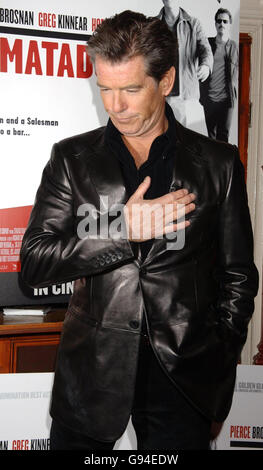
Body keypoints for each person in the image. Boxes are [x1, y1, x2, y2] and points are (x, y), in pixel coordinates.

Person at [20, 11, 258, 450]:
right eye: (105, 89)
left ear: (166, 82)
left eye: (130, 89)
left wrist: (216, 362)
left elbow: (238, 278)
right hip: (92, 374)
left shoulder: (219, 164)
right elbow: (34, 263)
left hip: (184, 377)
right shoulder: (72, 159)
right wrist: (123, 229)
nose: (115, 106)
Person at [158, 0, 213, 134]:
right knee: (163, 149)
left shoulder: (194, 24)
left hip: (188, 99)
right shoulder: (153, 26)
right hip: (161, 100)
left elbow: (206, 50)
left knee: (193, 150)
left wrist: (206, 66)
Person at [200, 8, 239, 142]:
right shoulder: (207, 44)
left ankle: (223, 164)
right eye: (219, 21)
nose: (221, 24)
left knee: (223, 138)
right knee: (211, 138)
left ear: (229, 24)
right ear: (215, 23)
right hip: (209, 99)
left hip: (226, 101)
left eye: (225, 21)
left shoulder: (234, 47)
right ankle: (211, 164)